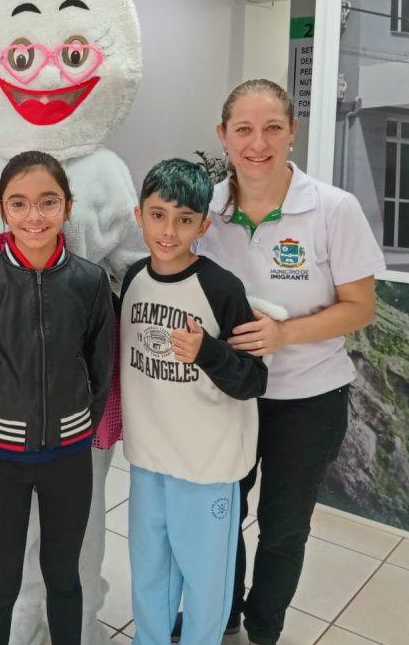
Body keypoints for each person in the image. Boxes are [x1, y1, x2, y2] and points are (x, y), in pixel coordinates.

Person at [196, 79, 385, 645]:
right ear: (223, 135)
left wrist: (285, 334)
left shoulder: (332, 208)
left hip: (308, 399)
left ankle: (263, 628)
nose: (258, 143)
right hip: (229, 395)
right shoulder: (205, 210)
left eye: (272, 128)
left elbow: (361, 307)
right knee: (220, 516)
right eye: (244, 129)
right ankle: (222, 616)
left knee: (282, 527)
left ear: (292, 131)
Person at [0, 150, 114, 645]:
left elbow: (100, 370)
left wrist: (79, 428)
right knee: (0, 582)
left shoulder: (90, 282)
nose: (34, 216)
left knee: (65, 578)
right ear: (2, 210)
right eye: (18, 203)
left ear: (68, 206)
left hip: (68, 455)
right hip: (0, 456)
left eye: (48, 201)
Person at [120, 158, 267, 645]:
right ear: (139, 215)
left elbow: (254, 379)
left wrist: (207, 352)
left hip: (206, 466)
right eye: (158, 215)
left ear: (203, 225)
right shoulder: (133, 278)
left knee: (205, 580)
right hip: (148, 459)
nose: (169, 231)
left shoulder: (222, 289)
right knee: (149, 569)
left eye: (184, 219)